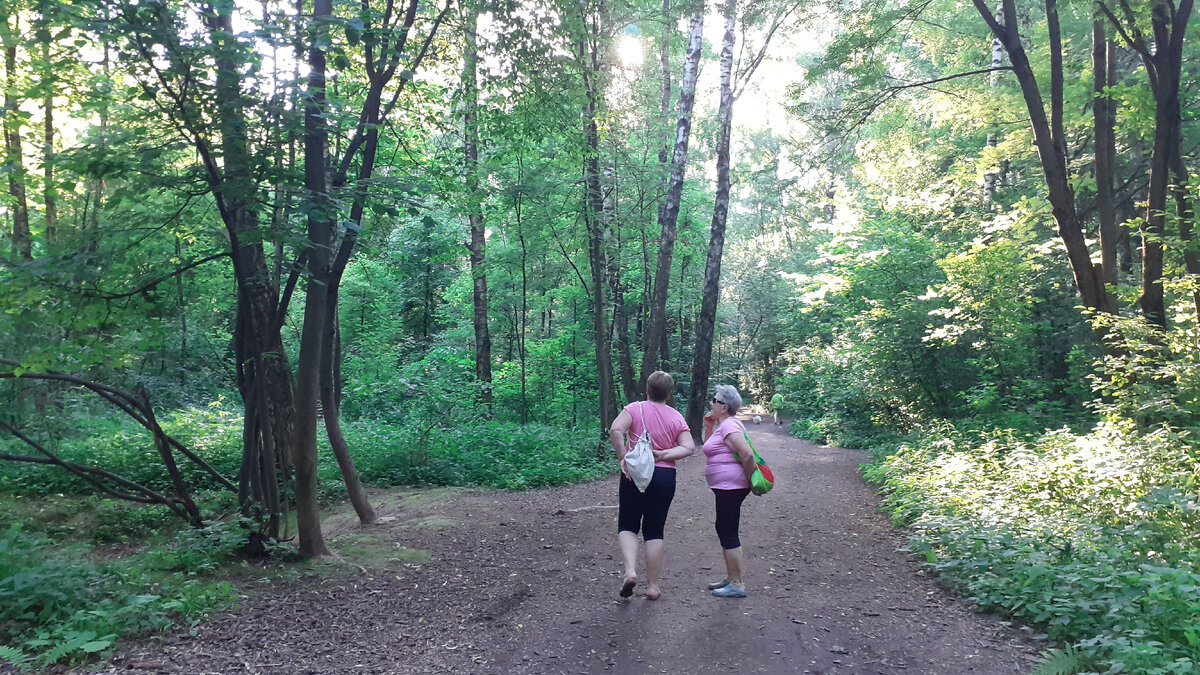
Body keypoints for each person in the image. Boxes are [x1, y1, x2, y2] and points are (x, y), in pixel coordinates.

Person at [609, 371, 695, 600]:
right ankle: (653, 587)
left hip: (635, 474)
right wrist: (665, 454)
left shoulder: (634, 408)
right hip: (664, 477)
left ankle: (630, 572)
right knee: (654, 529)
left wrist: (623, 458)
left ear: (646, 390)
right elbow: (689, 447)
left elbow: (616, 430)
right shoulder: (676, 416)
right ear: (669, 393)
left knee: (628, 524)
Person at [702, 384, 757, 598]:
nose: (711, 403)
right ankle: (731, 577)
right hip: (726, 487)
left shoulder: (730, 426)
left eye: (714, 400)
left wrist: (751, 482)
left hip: (731, 487)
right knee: (723, 528)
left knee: (728, 531)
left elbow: (748, 455)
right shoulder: (723, 425)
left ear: (724, 407)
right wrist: (709, 426)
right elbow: (710, 450)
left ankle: (737, 584)